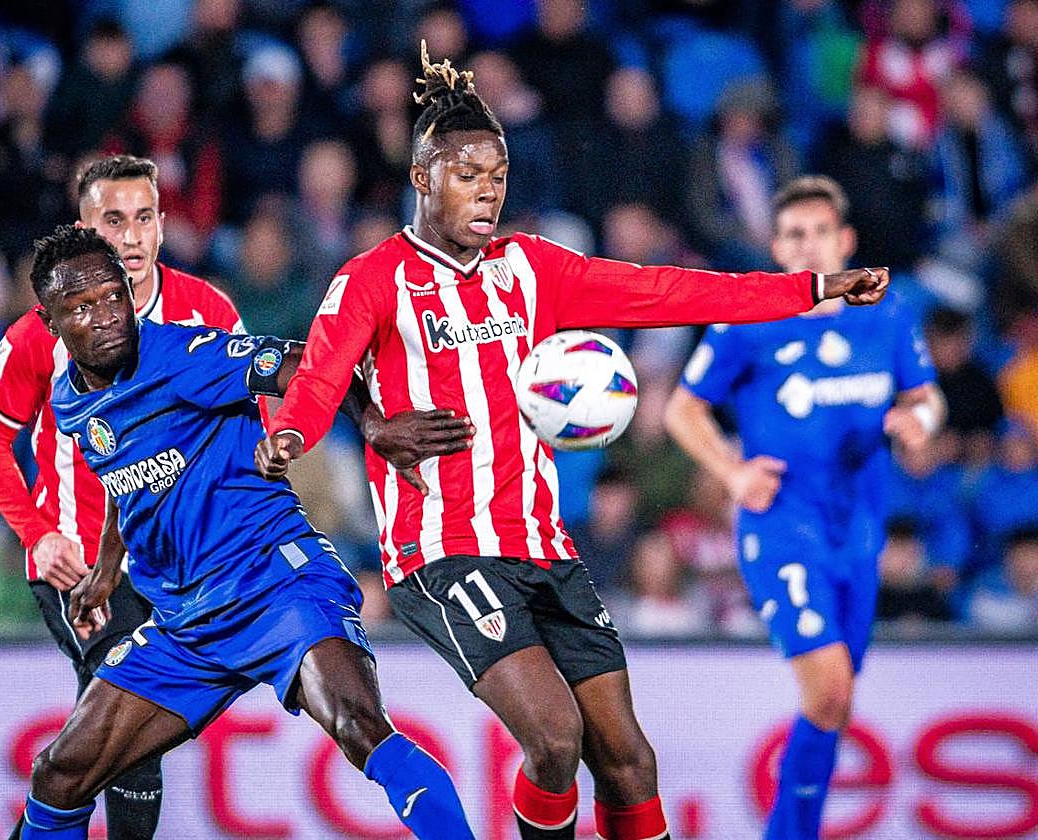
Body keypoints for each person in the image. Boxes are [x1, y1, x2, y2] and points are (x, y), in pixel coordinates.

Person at [256, 45, 889, 840]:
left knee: (629, 761)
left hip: (545, 547)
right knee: (554, 739)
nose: (487, 190)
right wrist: (290, 435)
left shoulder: (530, 267)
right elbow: (320, 377)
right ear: (422, 177)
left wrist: (810, 289)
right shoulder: (374, 279)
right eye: (466, 174)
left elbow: (668, 291)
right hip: (444, 552)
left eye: (497, 175)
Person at [14, 225, 475, 839]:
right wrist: (104, 572)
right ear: (50, 324)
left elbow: (309, 363)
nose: (106, 316)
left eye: (114, 295)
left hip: (275, 581)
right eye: (81, 307)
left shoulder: (182, 354)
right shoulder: (70, 401)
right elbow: (127, 484)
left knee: (358, 724)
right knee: (59, 774)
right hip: (184, 621)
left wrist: (372, 425)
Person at [0, 154, 244, 838]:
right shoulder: (42, 330)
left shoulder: (209, 312)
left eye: (144, 218)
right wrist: (37, 535)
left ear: (163, 224)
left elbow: (248, 426)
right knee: (130, 737)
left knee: (93, 750)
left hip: (180, 572)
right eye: (113, 221)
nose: (132, 236)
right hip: (82, 567)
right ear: (85, 230)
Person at [663, 175, 945, 840]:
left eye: (820, 232)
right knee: (828, 689)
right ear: (776, 248)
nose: (809, 245)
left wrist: (921, 423)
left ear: (845, 241)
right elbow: (682, 409)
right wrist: (732, 472)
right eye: (794, 235)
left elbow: (926, 396)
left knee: (834, 706)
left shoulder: (888, 315)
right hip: (781, 526)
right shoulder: (748, 320)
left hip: (859, 530)